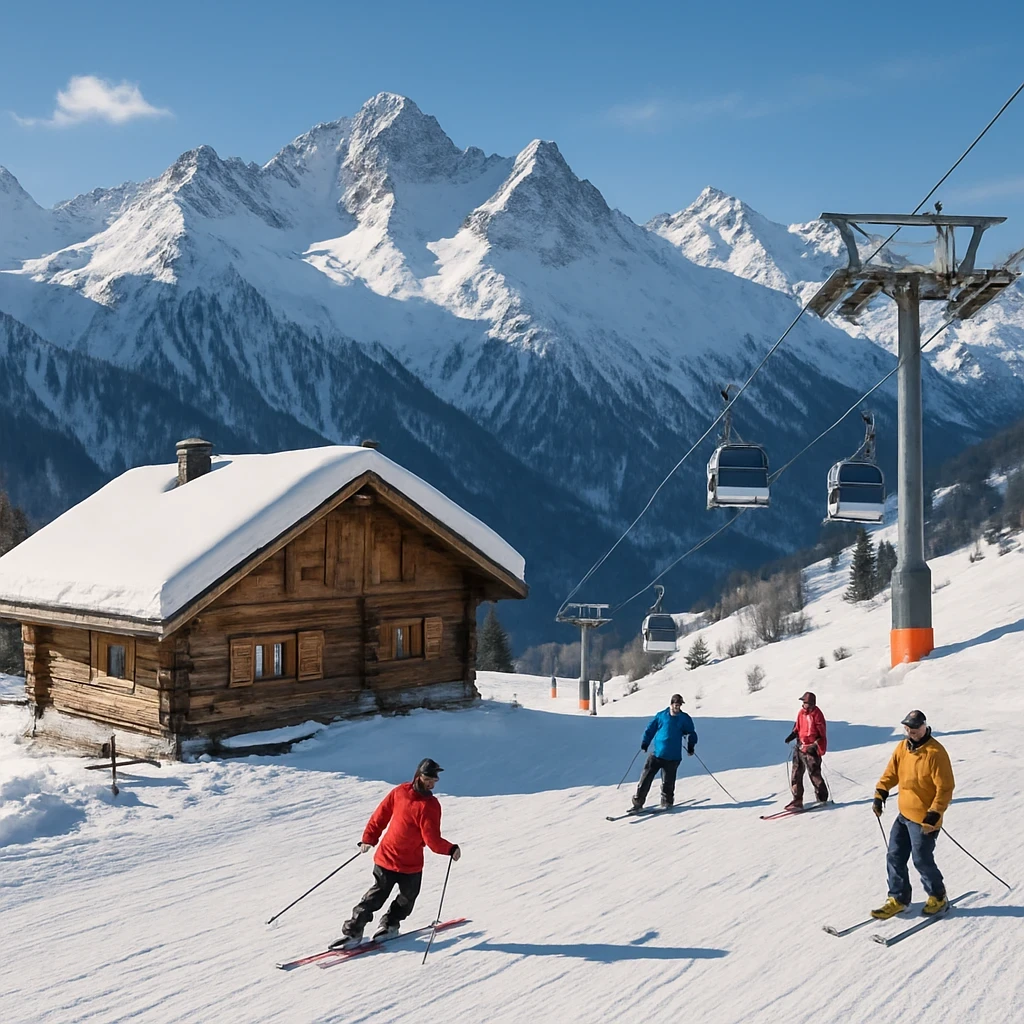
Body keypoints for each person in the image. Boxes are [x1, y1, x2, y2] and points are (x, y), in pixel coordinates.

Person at [330, 757, 460, 949]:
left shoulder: (431, 806)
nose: (432, 783)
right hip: (387, 858)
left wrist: (448, 848)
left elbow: (432, 839)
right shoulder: (400, 792)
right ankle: (352, 933)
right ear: (418, 775)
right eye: (428, 778)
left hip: (411, 863)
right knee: (375, 897)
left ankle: (389, 925)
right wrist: (368, 838)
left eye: (435, 780)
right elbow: (380, 816)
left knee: (407, 899)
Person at [870, 710, 955, 920]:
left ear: (924, 726)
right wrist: (880, 793)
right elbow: (891, 773)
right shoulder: (903, 747)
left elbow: (945, 788)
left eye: (915, 729)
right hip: (904, 815)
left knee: (921, 859)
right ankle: (898, 898)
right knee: (894, 856)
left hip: (925, 820)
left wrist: (934, 813)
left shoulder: (935, 753)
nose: (911, 732)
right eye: (908, 729)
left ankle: (938, 897)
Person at [630, 694, 698, 812]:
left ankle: (667, 802)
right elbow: (650, 729)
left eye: (679, 706)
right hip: (657, 754)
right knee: (646, 778)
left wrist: (691, 746)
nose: (677, 708)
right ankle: (638, 803)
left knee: (668, 782)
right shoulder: (661, 716)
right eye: (676, 705)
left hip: (673, 756)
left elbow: (691, 733)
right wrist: (645, 743)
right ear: (671, 704)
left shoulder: (684, 718)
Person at [783, 691, 829, 811]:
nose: (803, 705)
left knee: (814, 774)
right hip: (800, 747)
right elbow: (797, 728)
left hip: (812, 749)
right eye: (803, 702)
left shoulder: (817, 715)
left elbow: (822, 733)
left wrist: (815, 745)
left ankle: (822, 798)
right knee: (796, 774)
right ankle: (797, 800)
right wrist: (791, 736)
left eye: (805, 702)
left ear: (812, 703)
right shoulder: (801, 713)